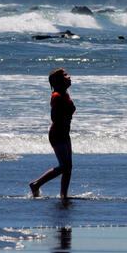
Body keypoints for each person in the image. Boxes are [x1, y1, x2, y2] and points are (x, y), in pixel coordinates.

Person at [30, 68, 75, 198]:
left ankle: (63, 195)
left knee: (68, 167)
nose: (69, 76)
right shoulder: (57, 96)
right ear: (59, 80)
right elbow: (54, 117)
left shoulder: (65, 93)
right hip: (57, 134)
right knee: (64, 166)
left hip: (65, 133)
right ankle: (36, 184)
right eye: (66, 75)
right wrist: (66, 115)